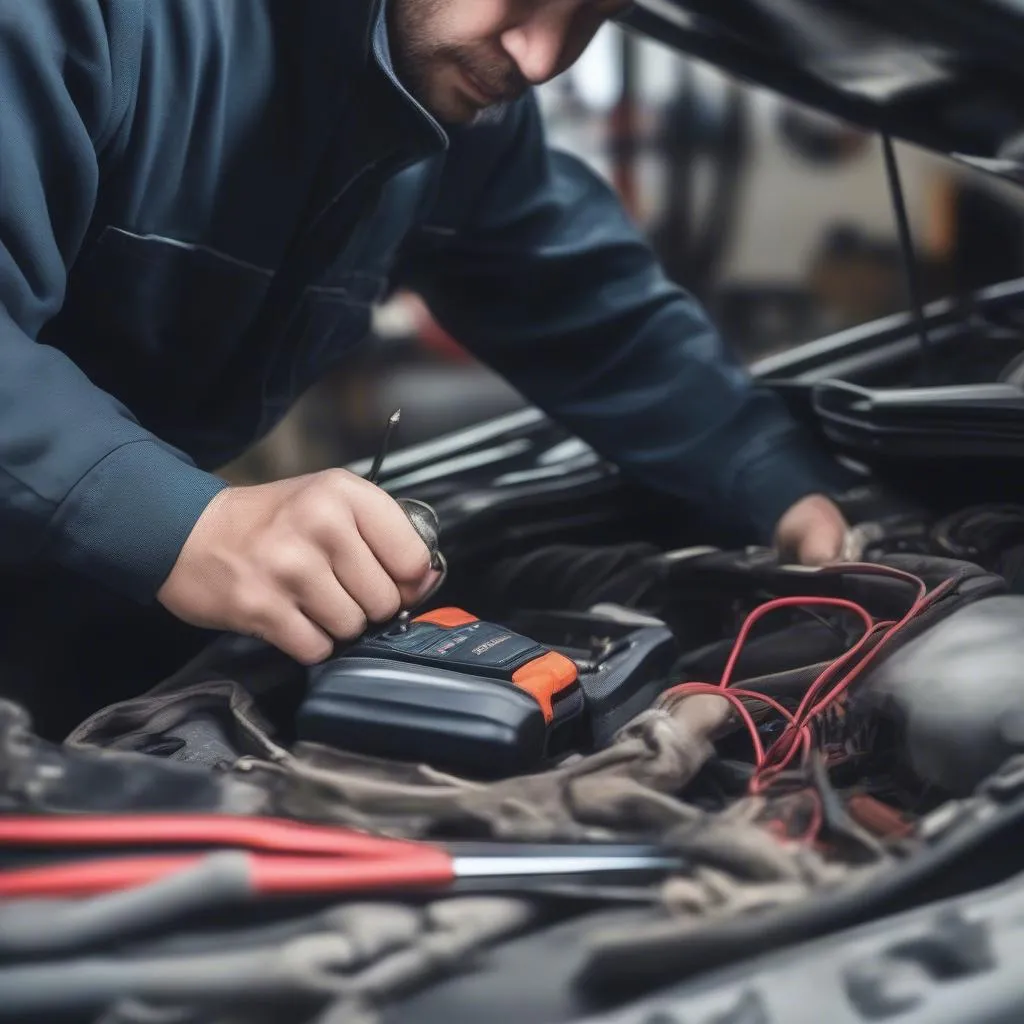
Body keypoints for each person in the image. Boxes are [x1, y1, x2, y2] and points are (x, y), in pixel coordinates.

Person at [0, 0, 855, 733]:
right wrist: (182, 521)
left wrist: (778, 485)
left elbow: (586, 303)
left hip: (69, 610)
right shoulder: (86, 20)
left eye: (601, 13)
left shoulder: (449, 116)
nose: (543, 56)